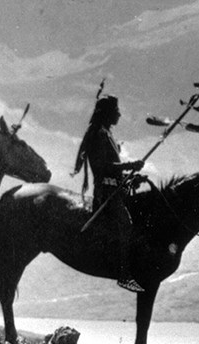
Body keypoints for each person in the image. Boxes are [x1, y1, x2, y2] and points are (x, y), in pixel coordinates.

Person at [73, 94, 146, 293]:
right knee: (125, 224)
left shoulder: (106, 133)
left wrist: (131, 176)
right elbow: (102, 167)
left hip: (114, 188)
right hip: (105, 192)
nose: (120, 115)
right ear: (107, 114)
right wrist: (130, 165)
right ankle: (123, 275)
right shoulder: (99, 134)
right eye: (116, 111)